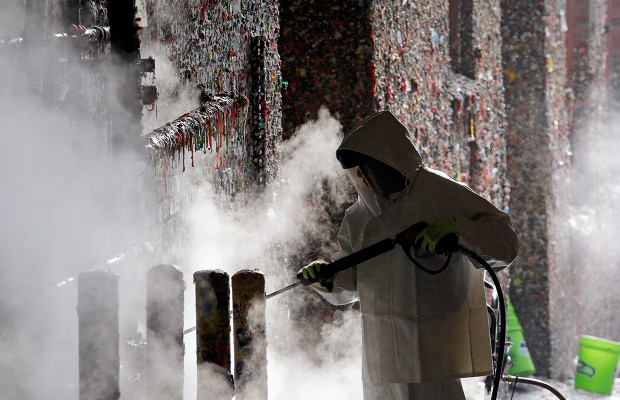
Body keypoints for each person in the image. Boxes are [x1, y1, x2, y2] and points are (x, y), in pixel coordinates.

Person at [298, 110, 519, 400]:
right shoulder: (361, 216)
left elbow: (505, 244)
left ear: (391, 160)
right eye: (361, 172)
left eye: (371, 168)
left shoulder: (440, 193)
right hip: (380, 359)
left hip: (431, 352)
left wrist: (457, 229)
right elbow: (352, 281)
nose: (367, 178)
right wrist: (328, 279)